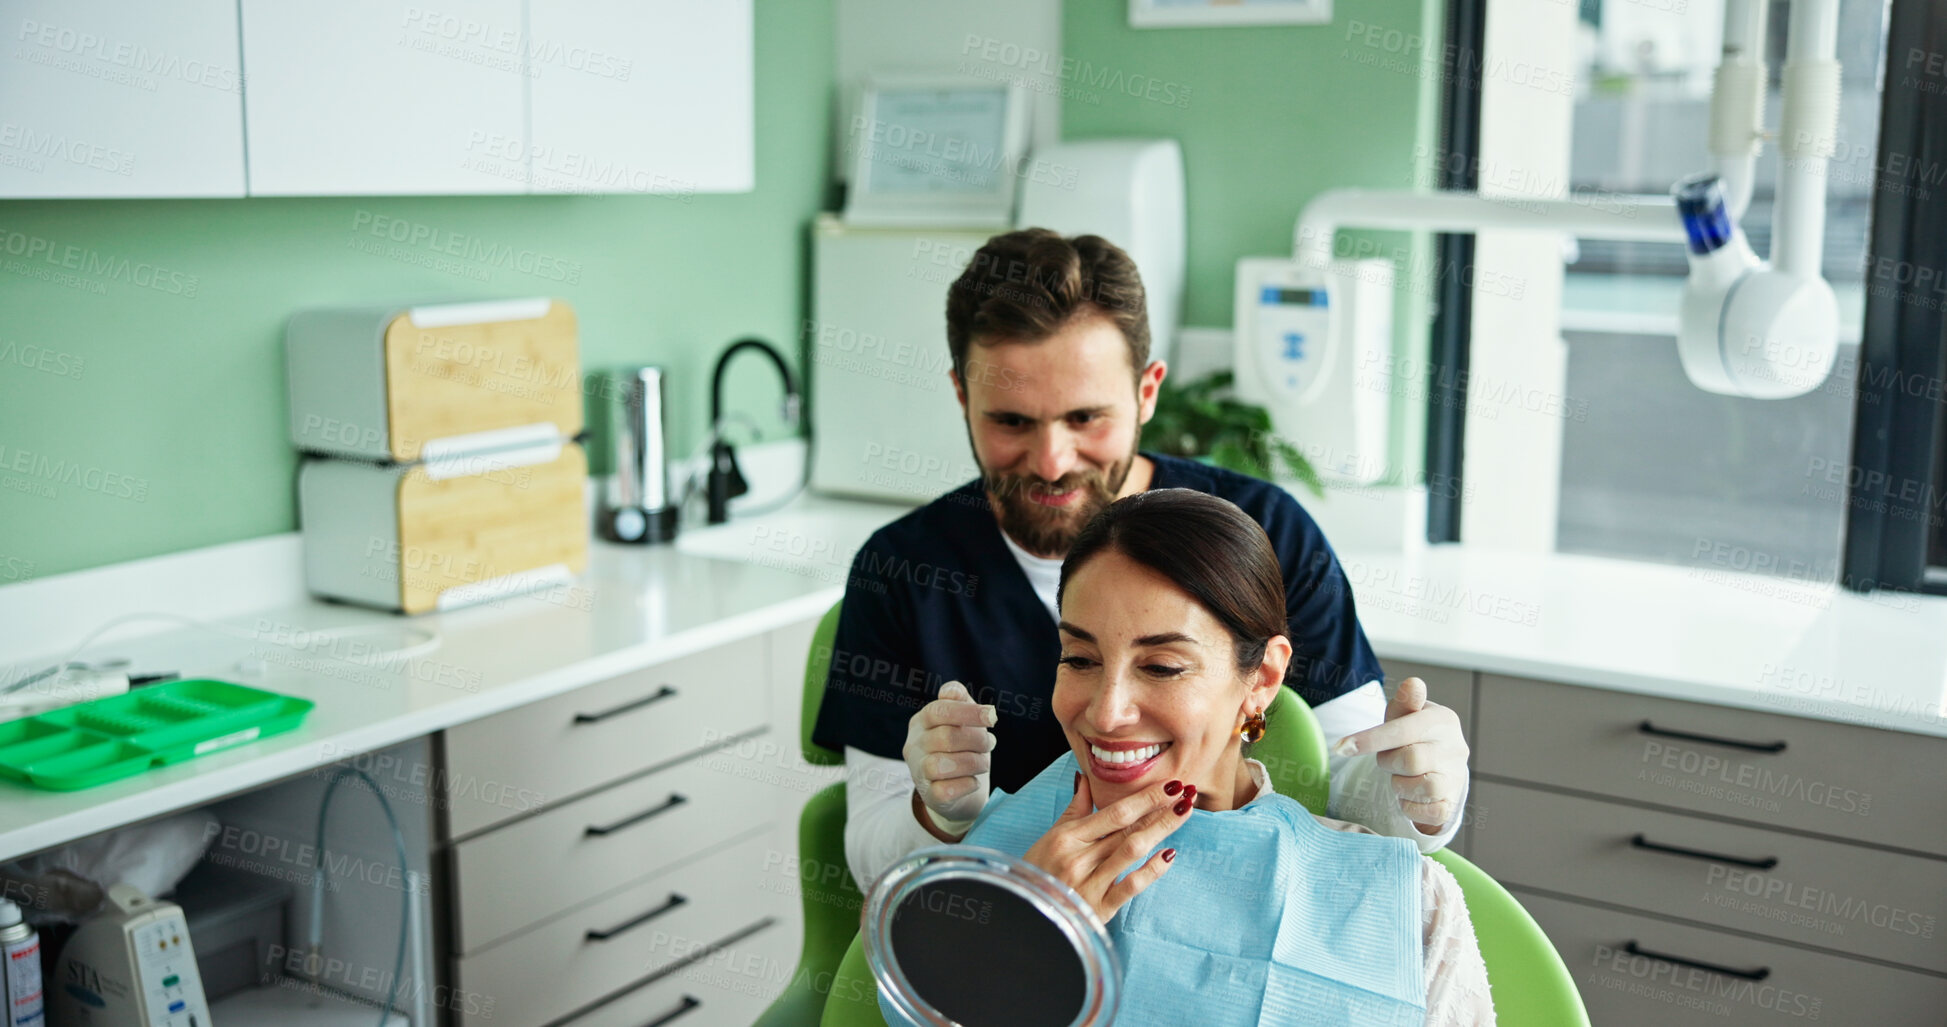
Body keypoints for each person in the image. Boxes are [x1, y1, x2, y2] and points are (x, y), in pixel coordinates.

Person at [812, 229, 1471, 890]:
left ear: (1146, 391)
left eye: (1085, 418)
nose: (1051, 460)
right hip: (1007, 929)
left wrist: (1415, 795)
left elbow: (1349, 786)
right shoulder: (903, 571)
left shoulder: (1264, 534)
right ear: (962, 395)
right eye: (1011, 421)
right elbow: (872, 860)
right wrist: (938, 813)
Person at [906, 490, 1494, 1025]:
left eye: (1161, 667)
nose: (1106, 714)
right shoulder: (989, 868)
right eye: (1079, 659)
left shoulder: (1406, 906)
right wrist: (1024, 942)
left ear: (1262, 677)